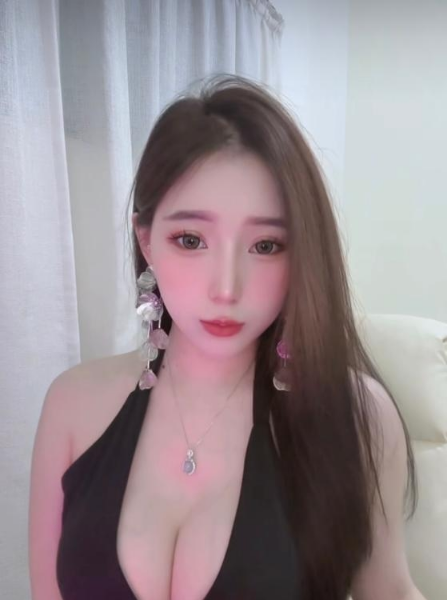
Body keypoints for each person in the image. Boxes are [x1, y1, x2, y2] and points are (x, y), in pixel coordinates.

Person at [28, 74, 426, 600]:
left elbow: (391, 590)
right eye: (191, 239)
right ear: (147, 242)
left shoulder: (354, 413)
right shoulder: (73, 404)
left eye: (266, 245)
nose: (226, 288)